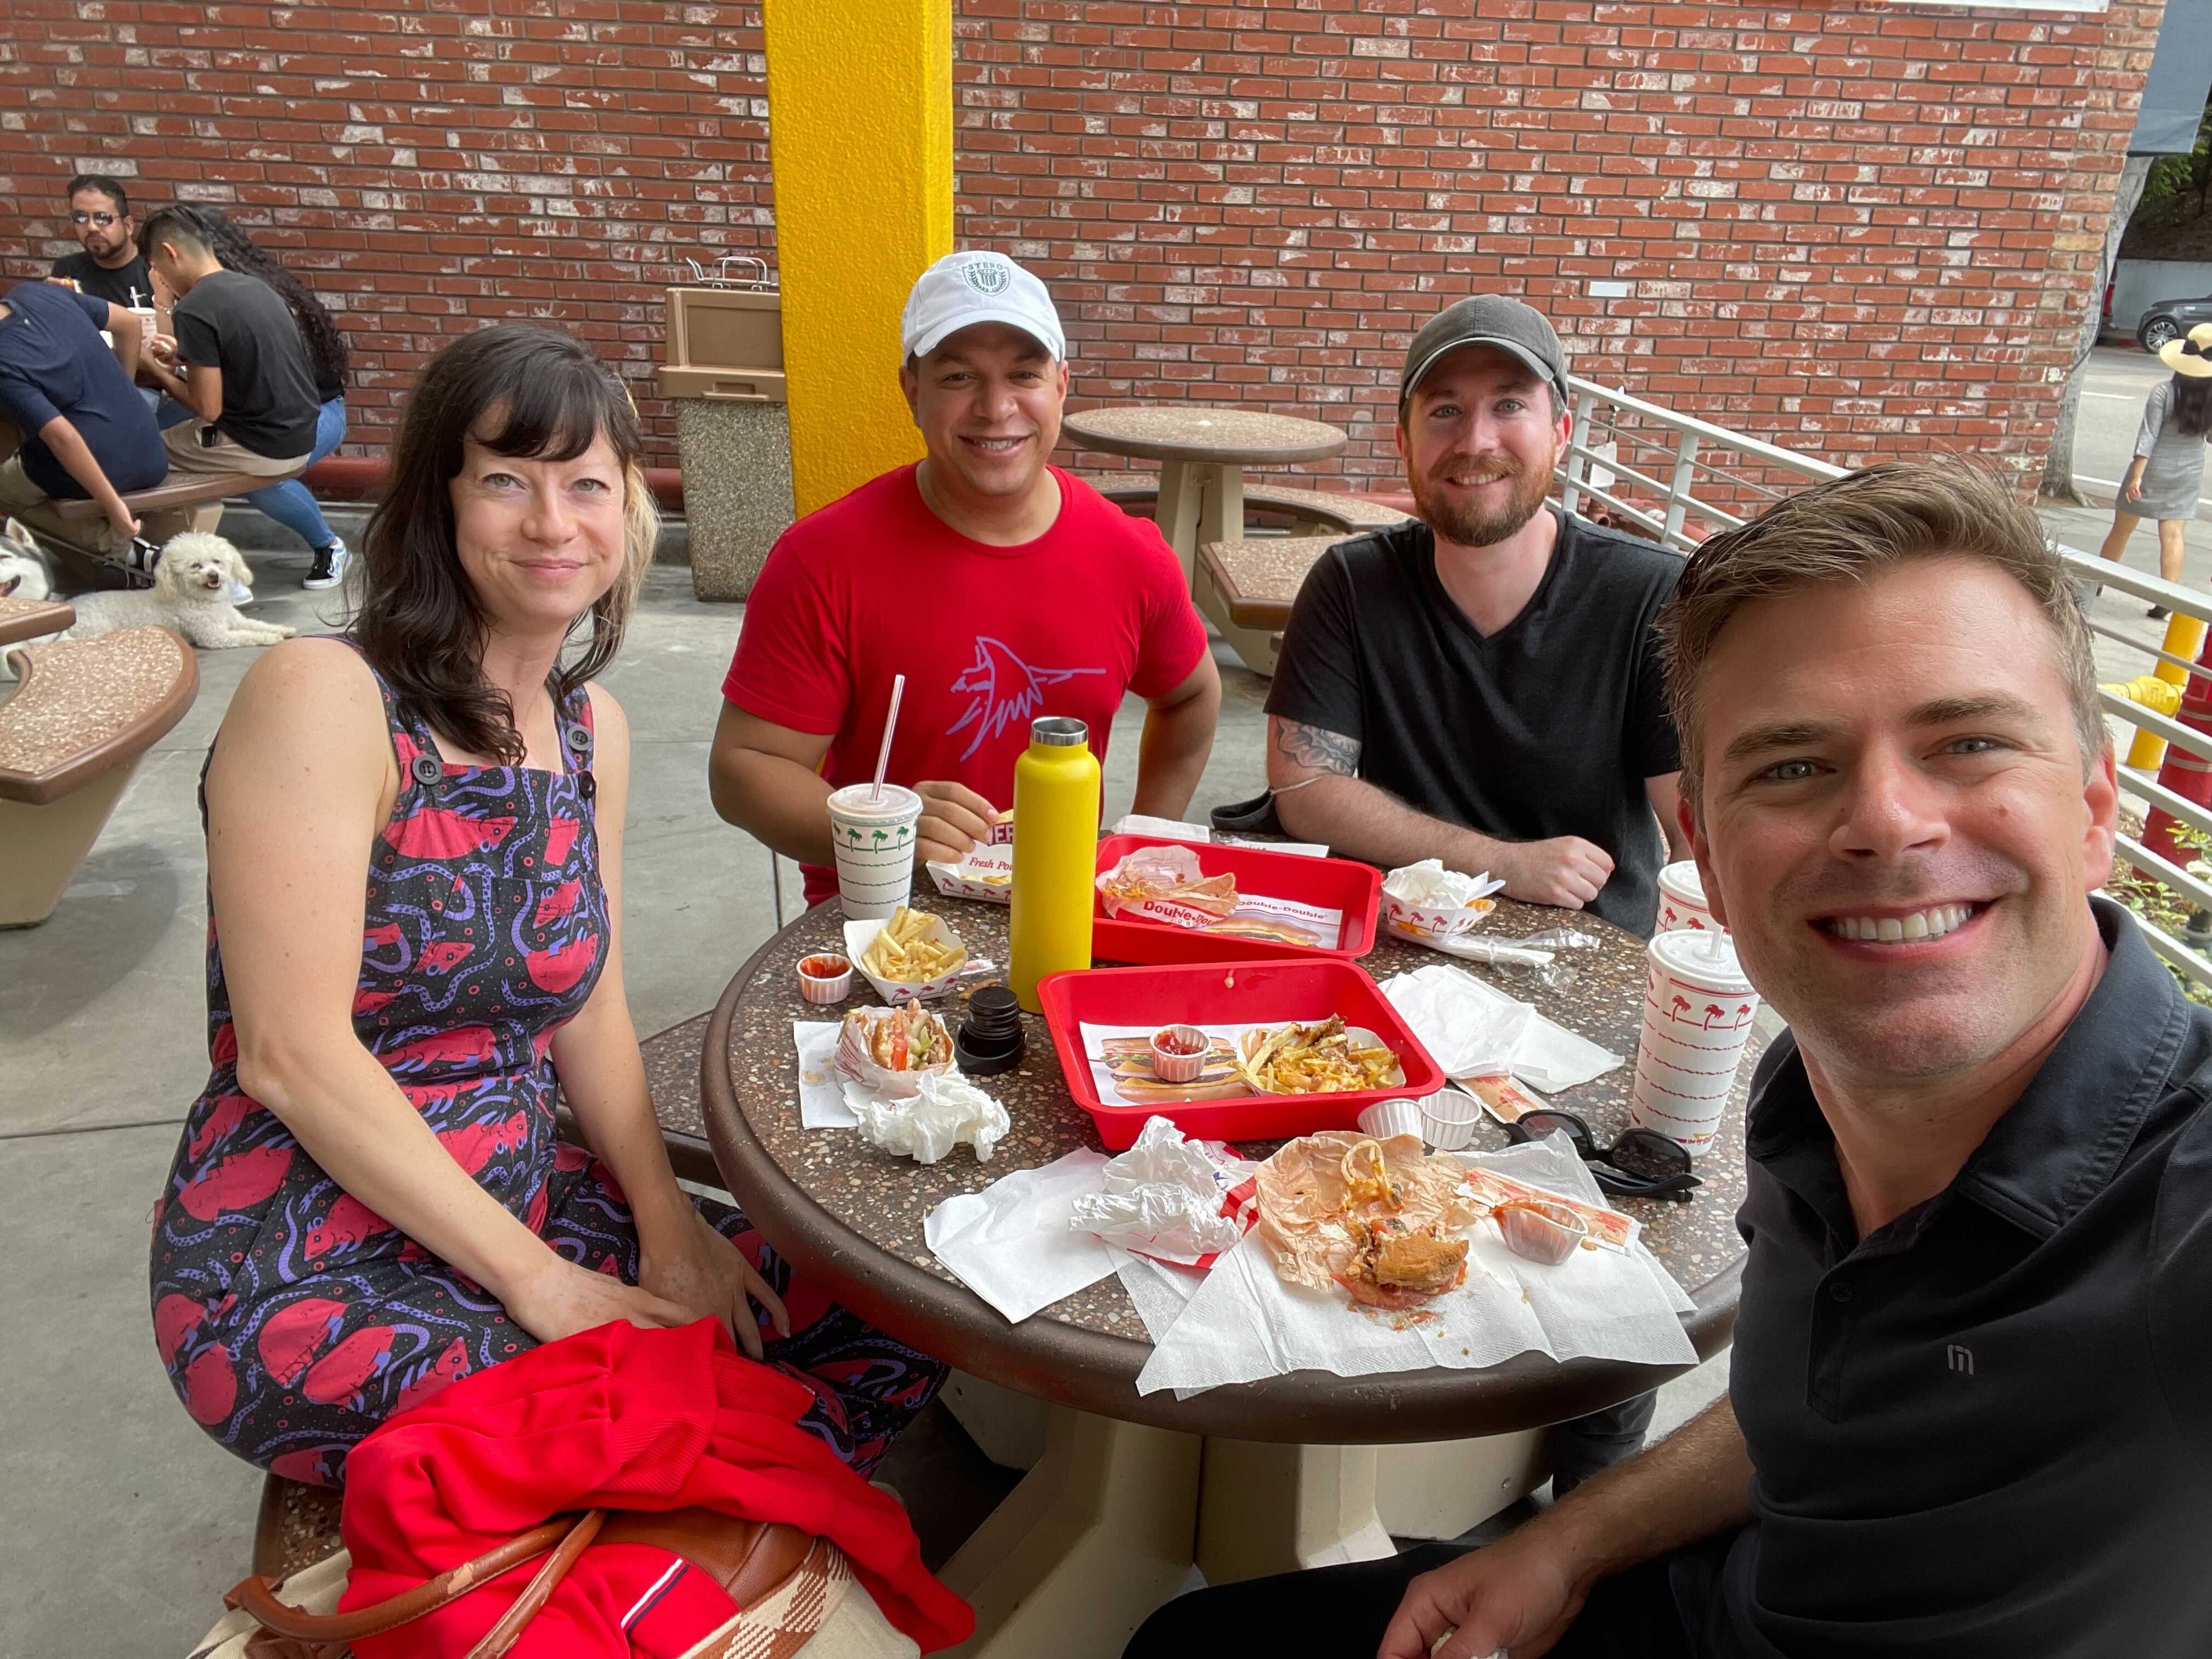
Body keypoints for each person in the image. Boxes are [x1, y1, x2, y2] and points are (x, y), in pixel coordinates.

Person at [1124, 457, 2212, 1658]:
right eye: (1793, 766)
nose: (1888, 822)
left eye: (1969, 743)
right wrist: (1562, 1543)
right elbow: (1809, 1414)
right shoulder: (1804, 1095)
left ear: (2099, 813)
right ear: (1704, 843)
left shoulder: (2177, 1216)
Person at [150, 326, 946, 1489]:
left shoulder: (589, 733)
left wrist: (668, 1228)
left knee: (881, 1322)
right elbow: (291, 1055)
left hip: (523, 1183)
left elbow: (590, 1006)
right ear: (439, 499)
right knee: (668, 1426)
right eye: (507, 480)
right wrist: (543, 1283)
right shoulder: (325, 694)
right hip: (306, 1243)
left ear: (628, 509)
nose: (552, 521)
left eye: (587, 483)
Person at [709, 250, 1220, 899]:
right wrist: (885, 830)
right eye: (958, 378)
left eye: (1024, 374)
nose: (996, 407)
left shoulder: (1132, 555)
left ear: (1061, 385)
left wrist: (1141, 842)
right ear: (912, 390)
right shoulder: (823, 559)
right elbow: (743, 769)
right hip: (882, 929)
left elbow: (1192, 698)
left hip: (1061, 908)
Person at [1262, 294, 1689, 939]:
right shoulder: (1353, 583)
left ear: (1561, 432)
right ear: (1405, 442)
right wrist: (1501, 864)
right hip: (1405, 941)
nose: (1476, 440)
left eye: (1510, 405)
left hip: (1591, 954)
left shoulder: (1651, 593)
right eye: (1446, 411)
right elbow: (1304, 790)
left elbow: (1702, 834)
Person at [195, 208, 353, 589]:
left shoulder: (253, 302)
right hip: (261, 417)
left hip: (314, 415)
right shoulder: (213, 300)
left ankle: (329, 546)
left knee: (260, 477)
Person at [133, 205, 319, 493]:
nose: (159, 279)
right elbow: (245, 357)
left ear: (171, 253)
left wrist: (155, 369)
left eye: (156, 268)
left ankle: (126, 537)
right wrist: (183, 356)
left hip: (263, 448)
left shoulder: (194, 308)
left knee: (135, 452)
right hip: (302, 436)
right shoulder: (257, 287)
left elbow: (208, 409)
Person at [0, 276, 162, 550]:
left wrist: (114, 507)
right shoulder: (40, 293)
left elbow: (62, 438)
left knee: (6, 490)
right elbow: (130, 325)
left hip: (107, 467)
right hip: (153, 454)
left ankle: (119, 548)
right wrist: (123, 389)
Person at [2095, 320, 2210, 619]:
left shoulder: (2163, 392)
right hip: (2189, 471)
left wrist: (2136, 475)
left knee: (2122, 529)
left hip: (2153, 469)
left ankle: (2097, 581)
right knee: (2173, 535)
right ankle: (2167, 597)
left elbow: (2148, 436)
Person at [49, 173, 154, 308]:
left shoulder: (154, 270)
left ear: (128, 225)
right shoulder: (68, 271)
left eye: (102, 218)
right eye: (81, 218)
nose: (91, 227)